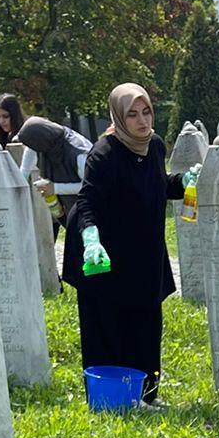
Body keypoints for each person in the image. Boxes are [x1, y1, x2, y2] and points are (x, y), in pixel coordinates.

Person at [65, 83, 181, 406]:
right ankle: (114, 398)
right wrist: (90, 239)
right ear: (118, 116)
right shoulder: (104, 153)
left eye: (146, 112)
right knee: (109, 324)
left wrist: (181, 183)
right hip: (103, 254)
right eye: (133, 114)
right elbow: (87, 202)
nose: (143, 121)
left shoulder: (154, 146)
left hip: (142, 252)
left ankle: (147, 395)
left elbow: (156, 184)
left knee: (145, 321)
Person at [13, 116, 91, 219]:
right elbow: (29, 152)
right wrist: (20, 182)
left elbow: (91, 185)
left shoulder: (79, 155)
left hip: (94, 209)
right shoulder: (49, 138)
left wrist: (55, 188)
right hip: (72, 209)